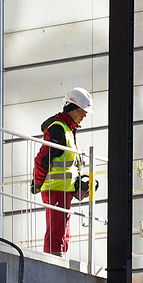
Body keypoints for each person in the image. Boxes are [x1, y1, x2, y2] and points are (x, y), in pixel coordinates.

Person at [32, 86, 92, 255]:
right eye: (82, 111)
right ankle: (53, 263)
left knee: (63, 231)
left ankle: (60, 260)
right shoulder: (59, 129)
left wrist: (78, 183)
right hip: (55, 190)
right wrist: (37, 183)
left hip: (63, 190)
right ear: (72, 108)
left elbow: (67, 163)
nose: (84, 115)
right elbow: (42, 159)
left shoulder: (68, 129)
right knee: (57, 232)